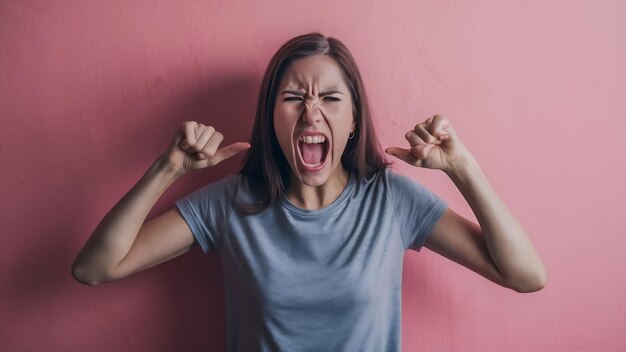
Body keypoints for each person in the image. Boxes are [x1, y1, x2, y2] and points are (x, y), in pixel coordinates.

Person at [72, 32, 546, 351]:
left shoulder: (392, 201)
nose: (312, 113)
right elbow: (94, 268)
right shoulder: (229, 203)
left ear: (355, 120)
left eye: (332, 99)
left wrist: (461, 167)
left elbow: (526, 275)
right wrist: (168, 167)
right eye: (294, 98)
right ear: (271, 117)